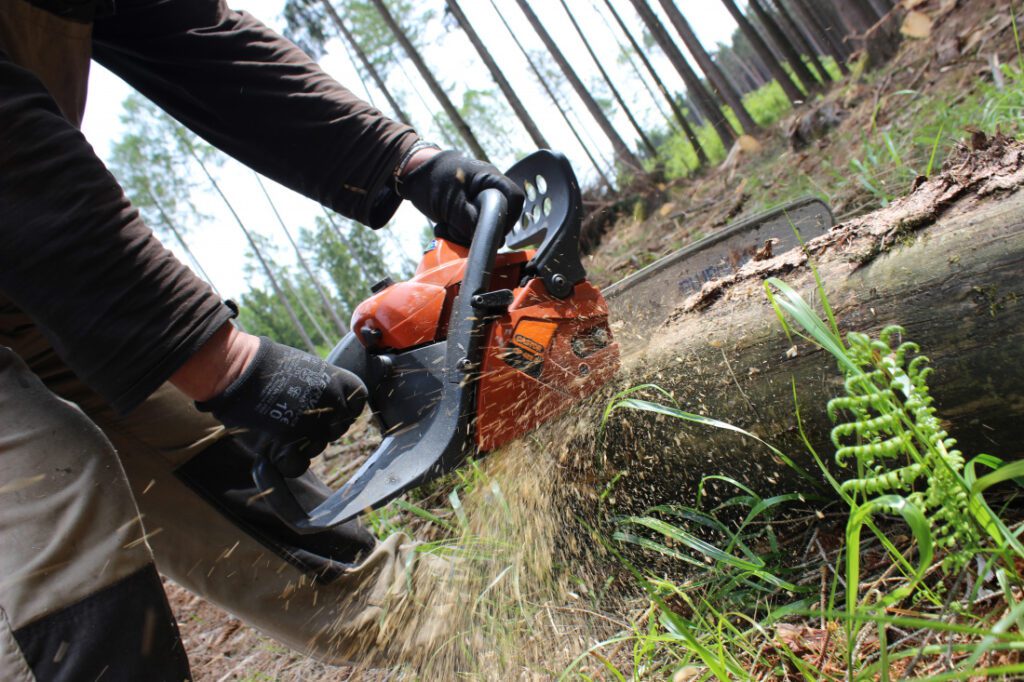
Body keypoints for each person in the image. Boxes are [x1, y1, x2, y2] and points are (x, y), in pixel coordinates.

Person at [0, 0, 526, 678]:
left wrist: (401, 160)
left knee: (216, 459)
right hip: (33, 245)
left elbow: (189, 30)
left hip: (33, 284)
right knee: (60, 510)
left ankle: (494, 640)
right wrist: (225, 362)